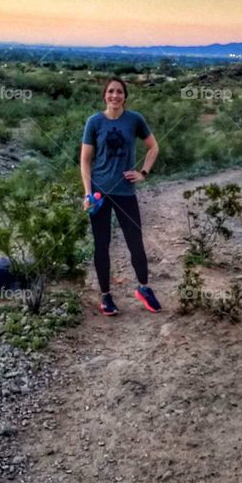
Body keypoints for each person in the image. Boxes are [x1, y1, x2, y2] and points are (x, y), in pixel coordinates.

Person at [80, 76, 162, 315]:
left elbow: (153, 147)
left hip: (125, 191)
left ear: (125, 96)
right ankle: (106, 296)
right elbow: (85, 161)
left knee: (135, 241)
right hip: (100, 193)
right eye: (111, 91)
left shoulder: (134, 120)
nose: (115, 96)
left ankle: (144, 288)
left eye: (119, 92)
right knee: (101, 245)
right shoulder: (94, 122)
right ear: (104, 95)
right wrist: (87, 194)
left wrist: (143, 172)